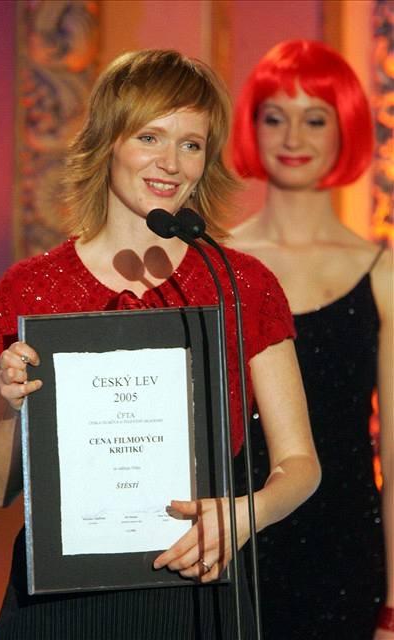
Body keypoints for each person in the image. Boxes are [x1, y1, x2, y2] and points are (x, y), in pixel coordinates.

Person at [0, 49, 320, 640]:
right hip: (59, 602)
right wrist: (9, 404)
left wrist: (244, 515)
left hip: (197, 586)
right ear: (109, 141)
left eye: (191, 144)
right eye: (150, 137)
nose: (171, 163)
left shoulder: (240, 284)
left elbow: (301, 464)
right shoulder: (31, 288)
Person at [228, 39, 393, 640]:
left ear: (345, 128)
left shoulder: (382, 274)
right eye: (275, 117)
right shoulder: (213, 264)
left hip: (343, 550)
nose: (293, 136)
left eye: (315, 118)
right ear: (252, 128)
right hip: (230, 541)